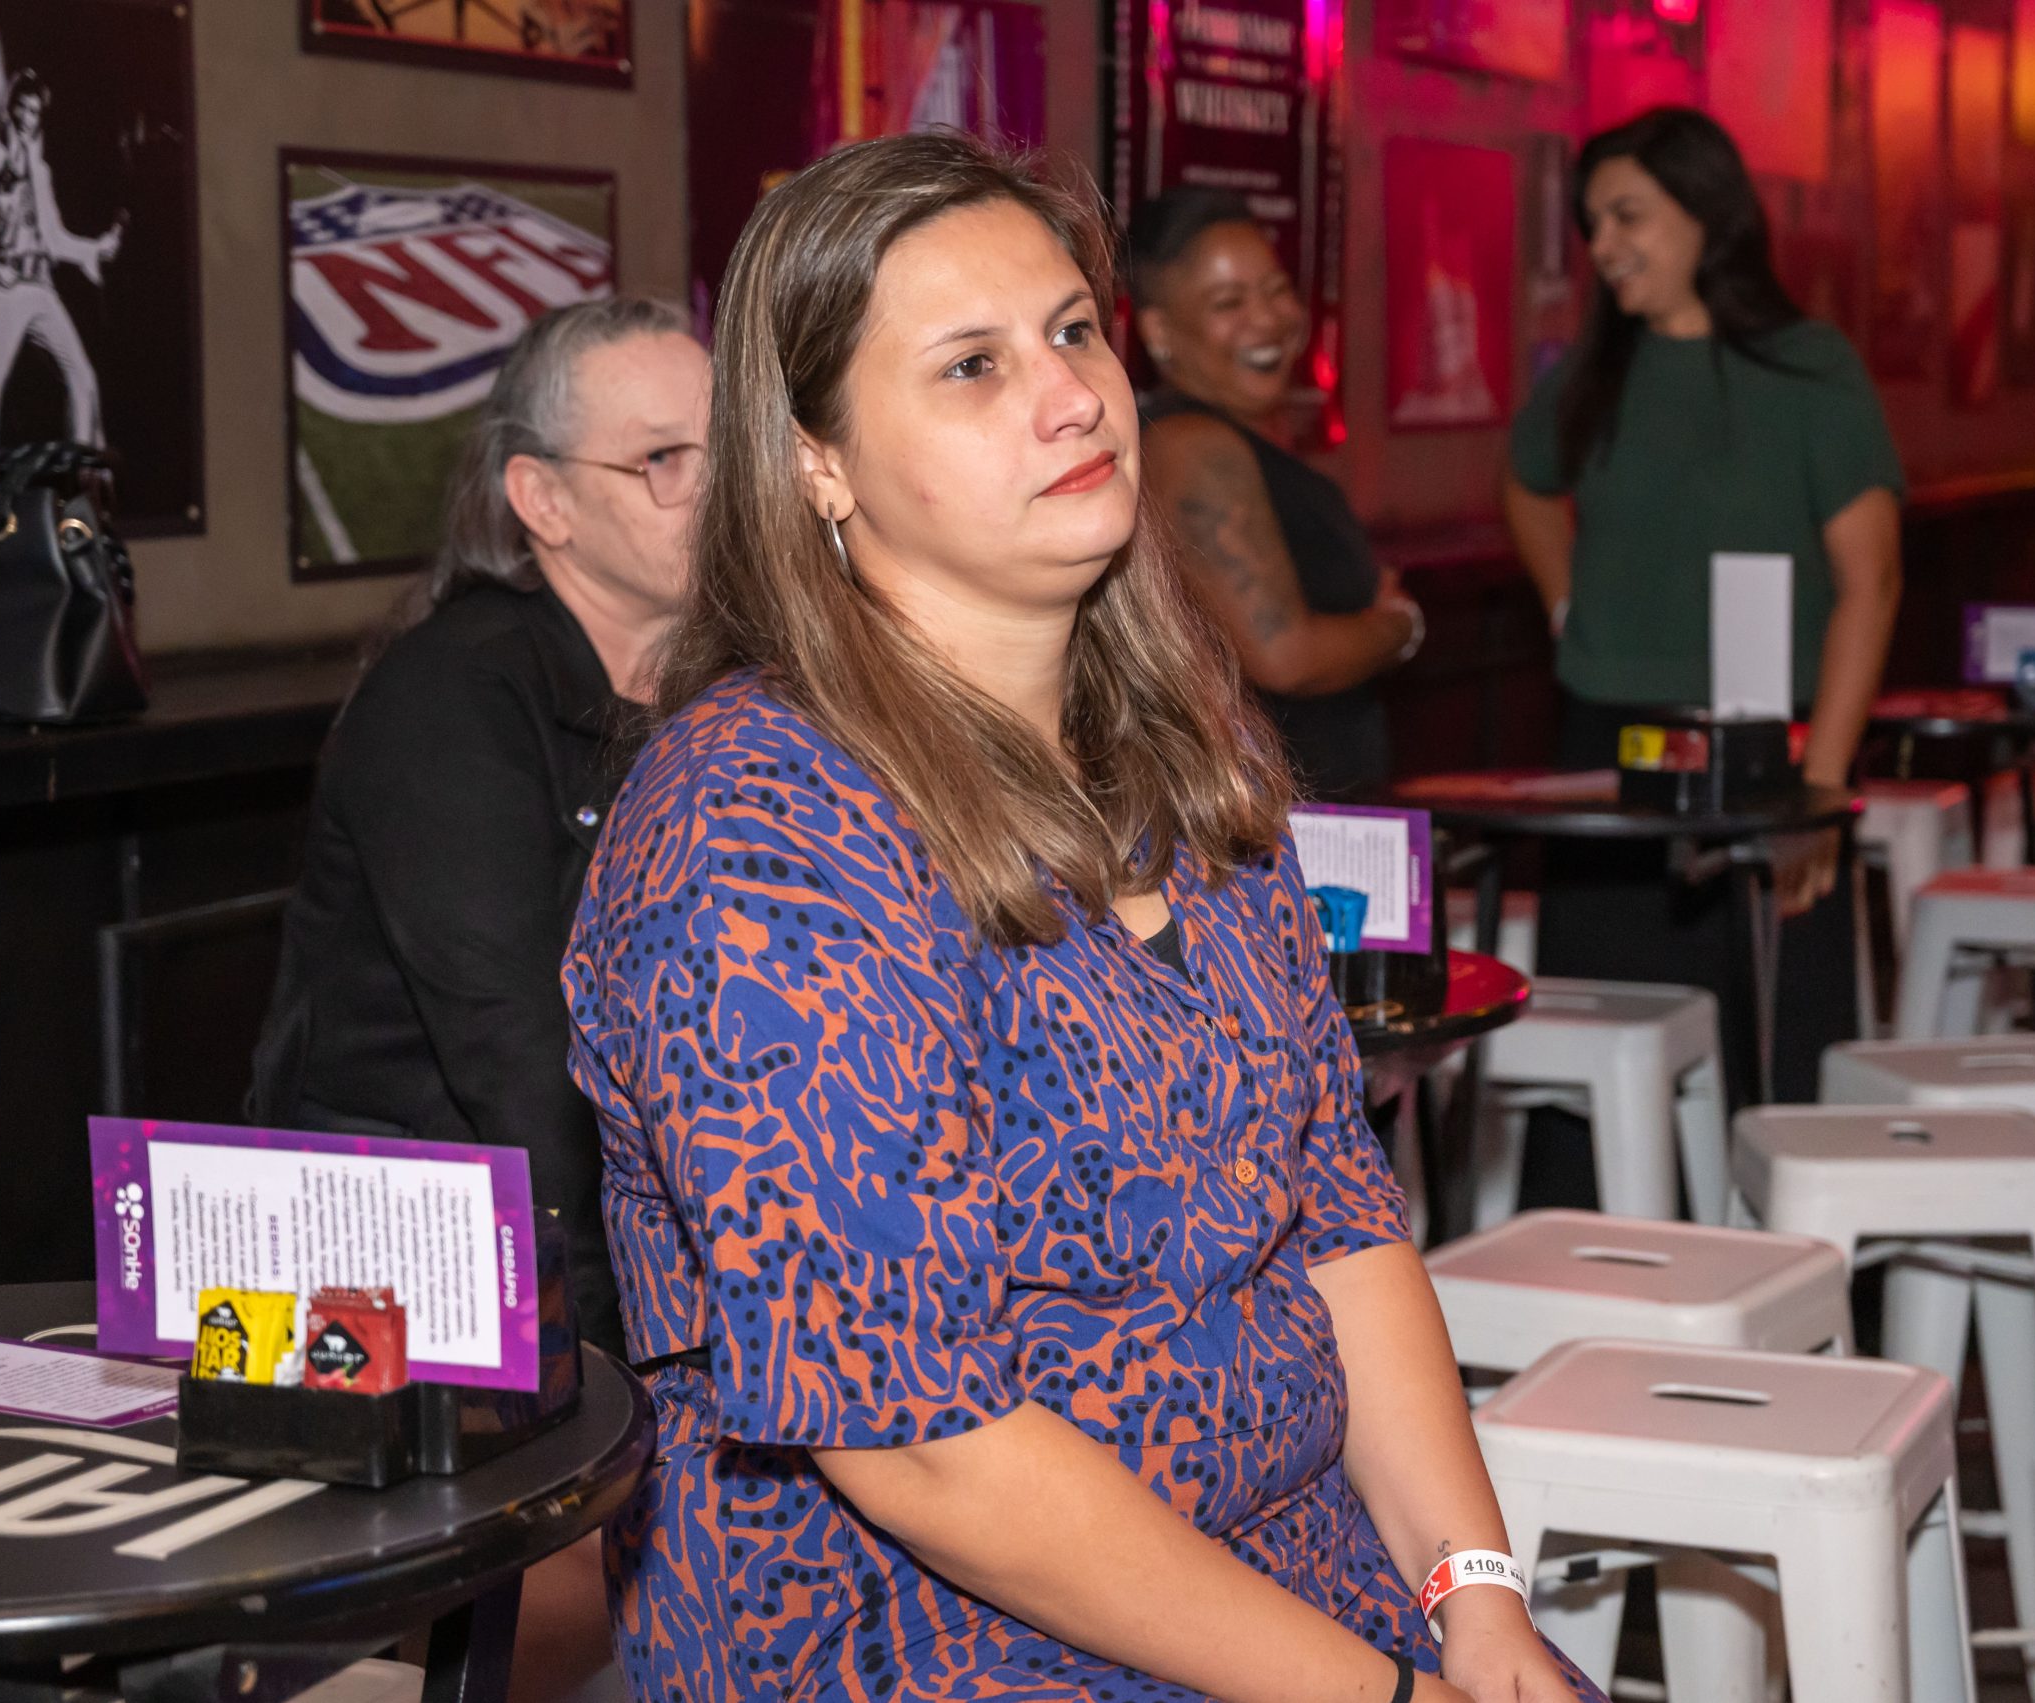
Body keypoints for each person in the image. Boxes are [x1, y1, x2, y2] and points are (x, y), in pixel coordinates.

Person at [565, 133, 1600, 1703]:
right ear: (816, 463)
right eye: (972, 365)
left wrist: (1478, 1597)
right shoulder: (757, 829)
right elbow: (921, 1442)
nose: (1069, 396)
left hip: (1303, 1578)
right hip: (929, 1636)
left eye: (1071, 331)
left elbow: (1340, 1214)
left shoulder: (1189, 747)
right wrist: (1383, 1692)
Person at [249, 296, 710, 1368]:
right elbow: (519, 1060)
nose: (718, 487)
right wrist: (627, 1369)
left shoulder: (724, 684)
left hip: (608, 1231)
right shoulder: (452, 693)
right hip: (401, 1264)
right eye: (663, 459)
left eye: (730, 447)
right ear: (543, 499)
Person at [1502, 106, 1902, 1108]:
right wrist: (1564, 605)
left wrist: (1819, 791)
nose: (1603, 246)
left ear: (1706, 213)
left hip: (1770, 747)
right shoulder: (1596, 372)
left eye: (1627, 216)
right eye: (1593, 224)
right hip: (1610, 746)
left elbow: (1872, 584)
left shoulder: (1808, 368)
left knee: (1768, 1053)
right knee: (1602, 1048)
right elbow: (1524, 482)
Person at [1129, 188, 1422, 801]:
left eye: (1277, 289)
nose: (1268, 319)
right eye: (1229, 302)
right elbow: (1285, 657)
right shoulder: (1195, 447)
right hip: (1277, 814)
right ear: (1159, 330)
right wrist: (1398, 626)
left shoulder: (1220, 437)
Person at [0, 69, 123, 455]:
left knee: (83, 379)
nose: (27, 117)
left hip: (40, 289)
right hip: (8, 287)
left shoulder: (42, 172)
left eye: (34, 112)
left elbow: (54, 239)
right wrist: (17, 160)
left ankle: (82, 475)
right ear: (9, 110)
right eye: (21, 108)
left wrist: (96, 248)